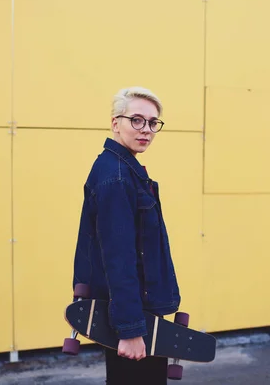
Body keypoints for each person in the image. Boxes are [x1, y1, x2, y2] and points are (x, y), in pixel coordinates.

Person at [72, 86, 181, 384]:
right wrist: (131, 330)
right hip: (134, 315)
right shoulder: (116, 177)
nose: (145, 129)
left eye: (152, 122)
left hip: (136, 309)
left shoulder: (123, 169)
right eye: (136, 119)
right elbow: (118, 258)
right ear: (115, 123)